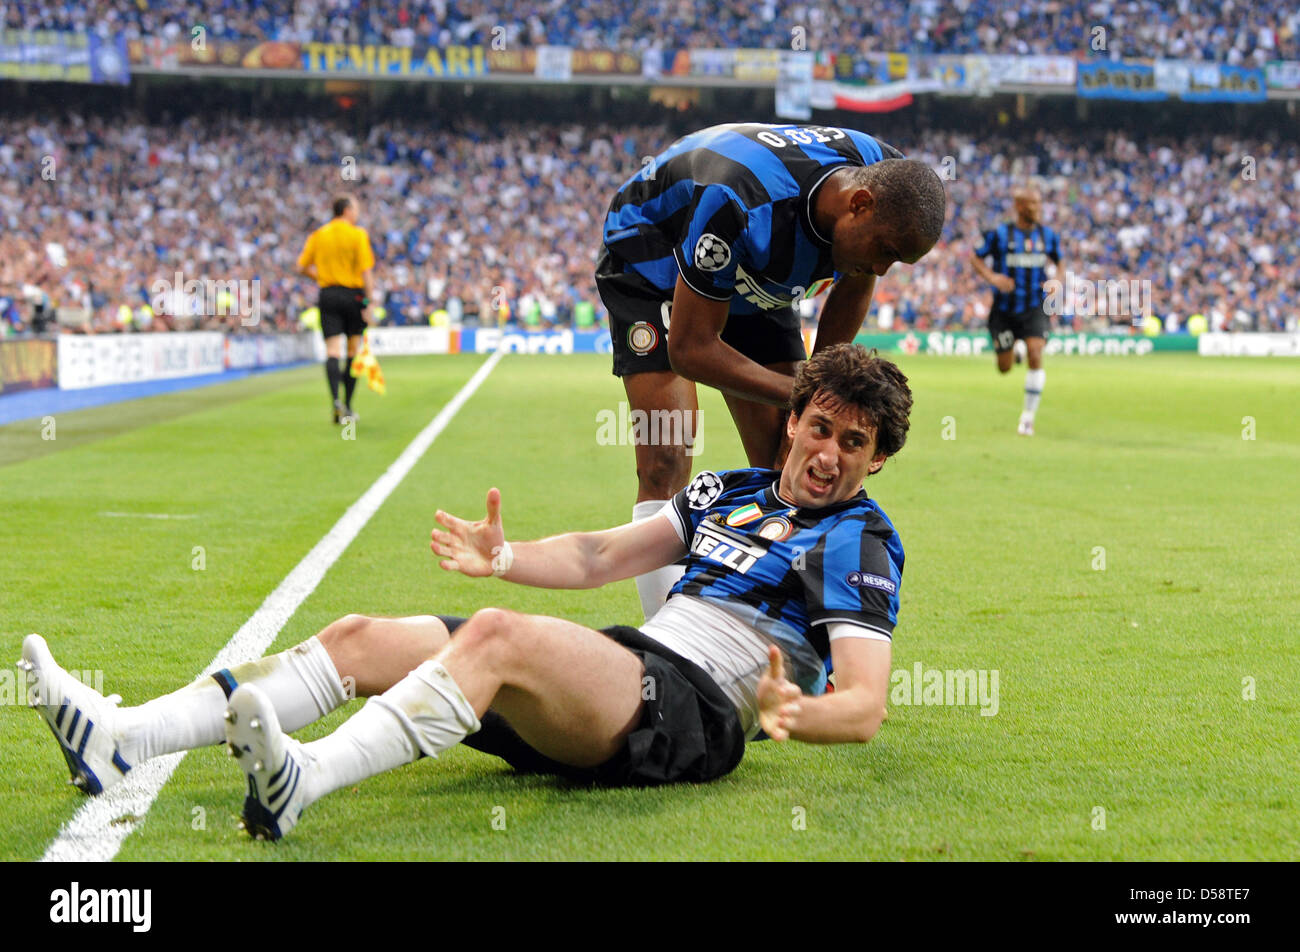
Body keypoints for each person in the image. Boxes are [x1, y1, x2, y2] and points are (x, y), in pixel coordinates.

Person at [21, 344, 909, 841]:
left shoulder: (857, 538)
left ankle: (306, 779)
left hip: (696, 715)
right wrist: (506, 555)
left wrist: (792, 711)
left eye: (855, 442)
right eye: (820, 426)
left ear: (875, 459)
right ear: (792, 419)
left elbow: (863, 705)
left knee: (494, 637)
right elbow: (604, 555)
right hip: (635, 671)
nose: (829, 453)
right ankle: (120, 738)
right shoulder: (732, 490)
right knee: (363, 634)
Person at [596, 121, 943, 620]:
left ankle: (775, 631)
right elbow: (691, 350)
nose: (885, 269)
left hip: (757, 270)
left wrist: (824, 394)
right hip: (650, 254)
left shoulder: (884, 178)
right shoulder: (738, 200)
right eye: (887, 252)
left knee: (789, 469)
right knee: (666, 455)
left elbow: (859, 276)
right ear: (859, 204)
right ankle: (666, 651)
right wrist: (803, 398)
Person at [968, 184, 1061, 436]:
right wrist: (992, 277)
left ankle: (1028, 418)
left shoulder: (1047, 236)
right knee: (1004, 367)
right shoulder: (1000, 234)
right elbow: (975, 256)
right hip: (1004, 310)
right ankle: (1014, 350)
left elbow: (1059, 261)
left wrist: (1056, 281)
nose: (1038, 209)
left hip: (1034, 306)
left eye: (1040, 204)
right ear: (1019, 207)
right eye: (1033, 204)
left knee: (1036, 353)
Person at [298, 195, 376, 424]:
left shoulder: (319, 235)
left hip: (328, 294)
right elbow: (366, 271)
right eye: (356, 208)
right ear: (348, 210)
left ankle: (335, 402)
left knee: (332, 351)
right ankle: (349, 406)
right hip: (353, 295)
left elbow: (300, 266)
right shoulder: (357, 234)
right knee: (352, 351)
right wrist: (369, 302)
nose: (358, 212)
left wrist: (320, 277)